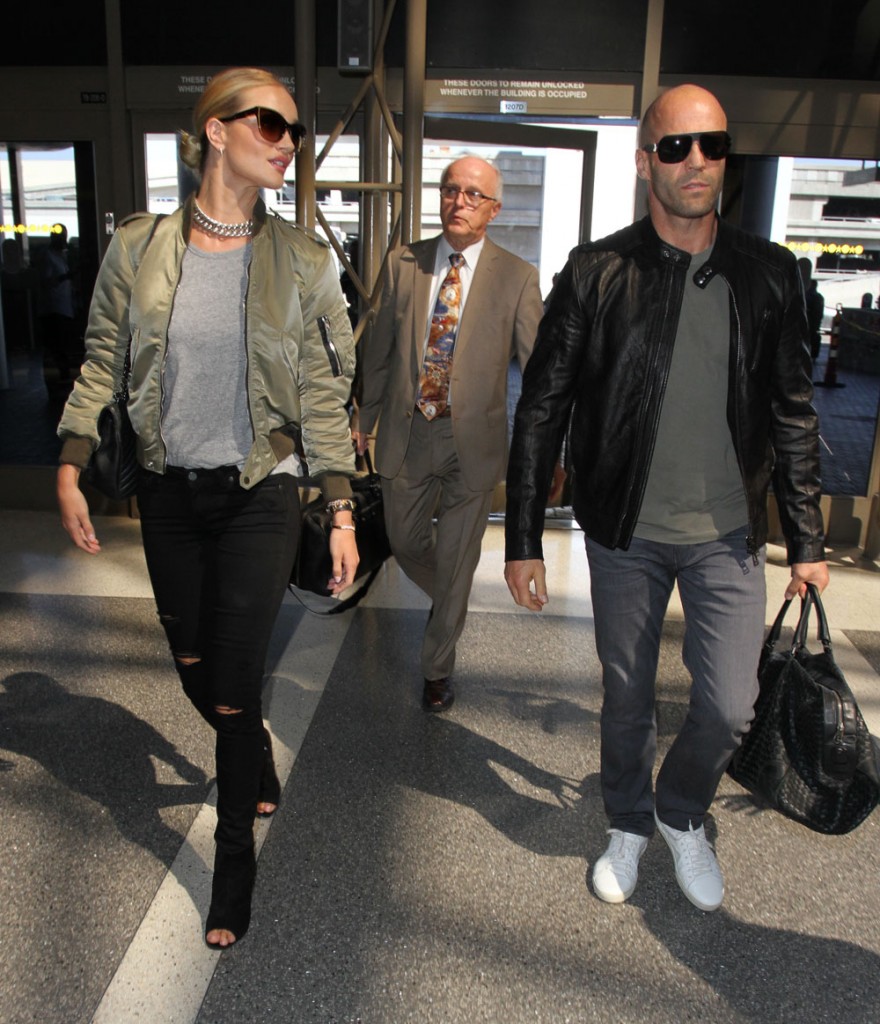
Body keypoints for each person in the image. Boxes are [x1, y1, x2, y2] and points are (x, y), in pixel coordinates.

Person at [504, 84, 828, 912]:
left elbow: (793, 412)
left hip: (726, 533)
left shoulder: (770, 275)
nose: (696, 162)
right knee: (627, 695)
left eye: (712, 145)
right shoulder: (597, 270)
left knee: (729, 706)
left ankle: (682, 811)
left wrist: (809, 542)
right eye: (676, 147)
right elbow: (542, 405)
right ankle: (629, 822)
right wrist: (524, 539)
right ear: (645, 159)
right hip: (626, 531)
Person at [56, 67, 358, 948]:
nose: (286, 142)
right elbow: (102, 356)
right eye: (269, 123)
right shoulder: (138, 246)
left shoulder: (301, 259)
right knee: (197, 670)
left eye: (293, 131)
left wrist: (337, 507)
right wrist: (74, 460)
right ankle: (250, 744)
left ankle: (233, 866)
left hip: (261, 491)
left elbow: (322, 390)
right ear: (215, 131)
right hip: (167, 491)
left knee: (229, 686)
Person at [353, 156, 544, 712]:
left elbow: (537, 372)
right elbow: (381, 348)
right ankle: (454, 595)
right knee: (406, 539)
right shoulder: (404, 263)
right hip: (408, 433)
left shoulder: (518, 276)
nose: (458, 202)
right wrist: (364, 419)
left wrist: (549, 450)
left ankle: (437, 669)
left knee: (459, 552)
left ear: (494, 209)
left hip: (474, 446)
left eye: (473, 195)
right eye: (450, 190)